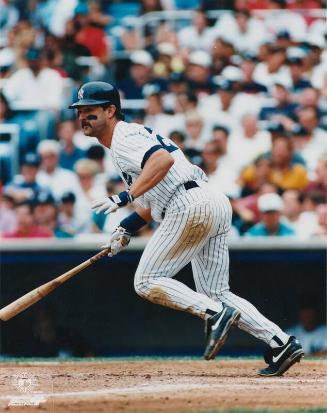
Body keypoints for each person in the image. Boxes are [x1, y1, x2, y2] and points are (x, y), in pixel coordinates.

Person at [69, 80, 304, 376]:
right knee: (216, 292)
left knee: (146, 281)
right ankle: (280, 342)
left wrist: (124, 196)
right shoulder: (127, 139)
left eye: (90, 111)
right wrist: (126, 228)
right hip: (207, 200)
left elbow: (162, 160)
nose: (82, 117)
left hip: (188, 204)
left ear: (110, 110)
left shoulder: (124, 136)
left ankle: (215, 314)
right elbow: (152, 199)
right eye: (80, 112)